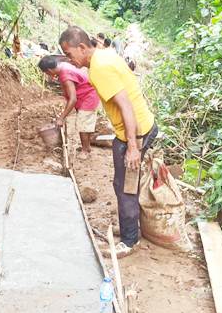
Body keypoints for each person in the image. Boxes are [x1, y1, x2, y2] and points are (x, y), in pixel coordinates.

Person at [59, 26, 156, 257]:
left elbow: (126, 106)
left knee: (126, 187)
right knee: (120, 183)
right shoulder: (104, 55)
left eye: (69, 54)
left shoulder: (99, 69)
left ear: (82, 47)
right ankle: (128, 227)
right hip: (134, 129)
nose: (69, 60)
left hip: (136, 132)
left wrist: (133, 146)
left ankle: (130, 240)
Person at [38, 55, 100, 159]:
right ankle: (87, 147)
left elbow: (73, 99)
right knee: (84, 123)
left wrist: (61, 118)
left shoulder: (65, 75)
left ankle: (85, 151)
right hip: (87, 95)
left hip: (88, 97)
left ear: (49, 70)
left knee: (82, 124)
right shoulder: (63, 66)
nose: (47, 75)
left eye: (46, 73)